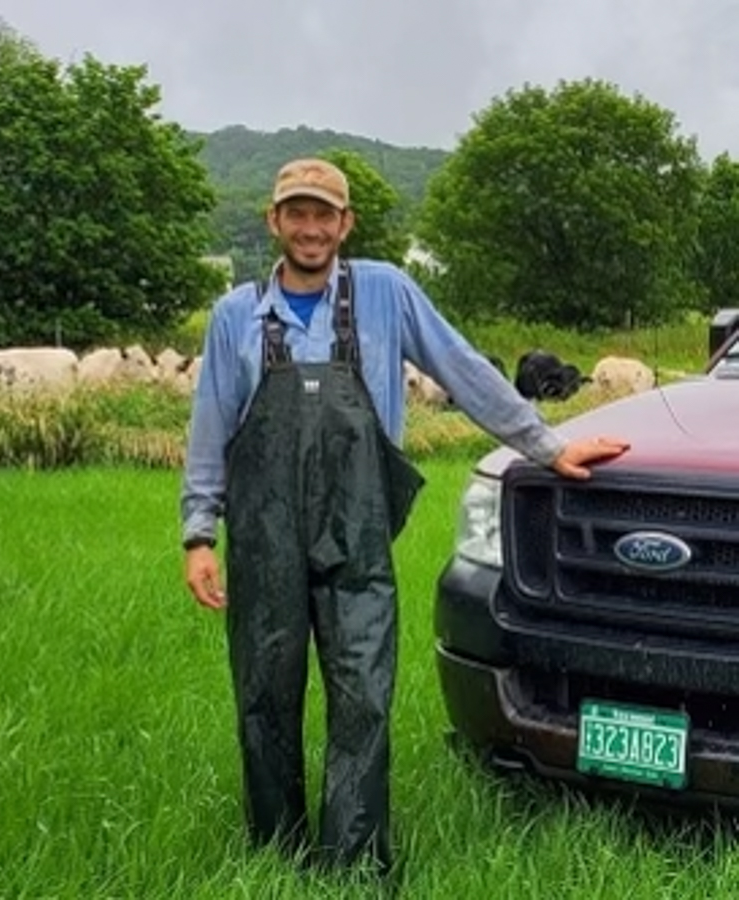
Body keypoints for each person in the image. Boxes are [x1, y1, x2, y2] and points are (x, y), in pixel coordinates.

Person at [180, 157, 629, 873]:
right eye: (296, 213)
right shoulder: (237, 316)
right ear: (274, 221)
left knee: (363, 695)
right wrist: (199, 531)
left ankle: (354, 864)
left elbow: (463, 369)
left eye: (324, 214)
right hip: (262, 539)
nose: (310, 228)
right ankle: (274, 854)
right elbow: (210, 429)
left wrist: (547, 446)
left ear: (344, 224)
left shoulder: (386, 293)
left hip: (358, 540)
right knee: (265, 692)